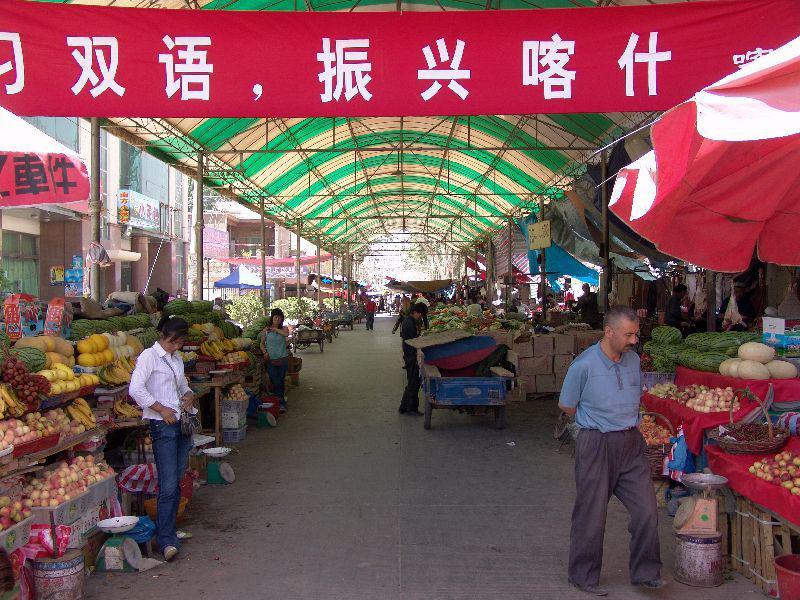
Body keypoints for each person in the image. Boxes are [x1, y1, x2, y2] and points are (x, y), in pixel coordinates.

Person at [558, 306, 663, 596]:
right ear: (609, 332)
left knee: (646, 511)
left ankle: (646, 572)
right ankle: (583, 576)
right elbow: (567, 406)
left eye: (636, 334)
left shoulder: (633, 361)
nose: (633, 340)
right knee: (591, 515)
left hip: (631, 443)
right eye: (628, 334)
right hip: (596, 444)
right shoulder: (584, 365)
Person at [129, 316, 195, 563]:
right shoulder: (149, 357)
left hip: (181, 425)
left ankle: (169, 530)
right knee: (167, 485)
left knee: (176, 481)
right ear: (163, 336)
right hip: (163, 427)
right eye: (172, 342)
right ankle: (165, 540)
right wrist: (160, 408)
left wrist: (188, 395)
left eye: (179, 343)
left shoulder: (176, 358)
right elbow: (135, 389)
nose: (176, 346)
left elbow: (182, 385)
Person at [398, 303, 428, 415]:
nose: (420, 317)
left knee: (412, 381)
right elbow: (412, 341)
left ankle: (403, 406)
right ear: (415, 312)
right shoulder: (409, 323)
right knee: (414, 383)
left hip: (410, 354)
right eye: (420, 315)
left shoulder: (409, 321)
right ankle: (411, 409)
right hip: (411, 355)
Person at [260, 308, 290, 413]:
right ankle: (280, 402)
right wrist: (265, 352)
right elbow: (261, 343)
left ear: (282, 319)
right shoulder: (266, 330)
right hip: (271, 360)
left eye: (279, 317)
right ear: (272, 318)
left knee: (280, 381)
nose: (277, 319)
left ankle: (280, 403)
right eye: (275, 317)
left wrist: (275, 329)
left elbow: (286, 334)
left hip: (282, 359)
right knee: (275, 381)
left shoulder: (284, 329)